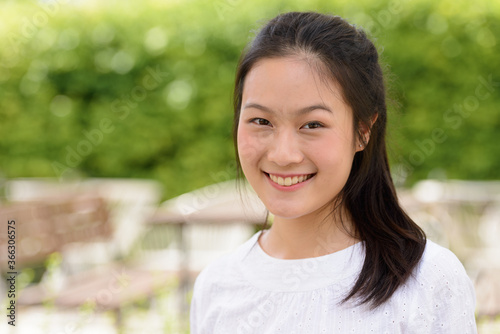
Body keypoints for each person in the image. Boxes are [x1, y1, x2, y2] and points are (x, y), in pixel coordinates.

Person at [190, 11, 477, 333]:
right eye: (261, 121)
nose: (283, 155)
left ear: (363, 131)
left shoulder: (426, 280)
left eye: (313, 124)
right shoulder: (216, 286)